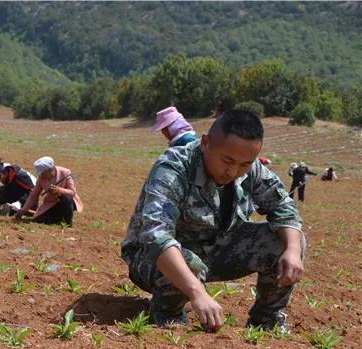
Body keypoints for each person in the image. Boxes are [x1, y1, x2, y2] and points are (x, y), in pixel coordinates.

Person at [122, 110, 305, 333]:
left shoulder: (251, 169)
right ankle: (167, 316)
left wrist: (293, 249)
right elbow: (155, 236)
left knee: (286, 241)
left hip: (214, 249)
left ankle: (265, 321)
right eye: (227, 161)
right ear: (205, 143)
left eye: (244, 164)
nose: (234, 171)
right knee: (189, 261)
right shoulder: (174, 167)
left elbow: (283, 207)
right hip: (155, 260)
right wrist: (198, 293)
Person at [15, 157, 83, 227]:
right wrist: (24, 209)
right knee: (38, 220)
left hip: (68, 203)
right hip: (52, 204)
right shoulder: (41, 179)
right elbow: (33, 195)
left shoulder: (65, 173)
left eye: (43, 173)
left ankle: (68, 223)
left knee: (66, 197)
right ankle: (58, 219)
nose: (40, 175)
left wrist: (59, 190)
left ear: (50, 170)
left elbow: (72, 192)